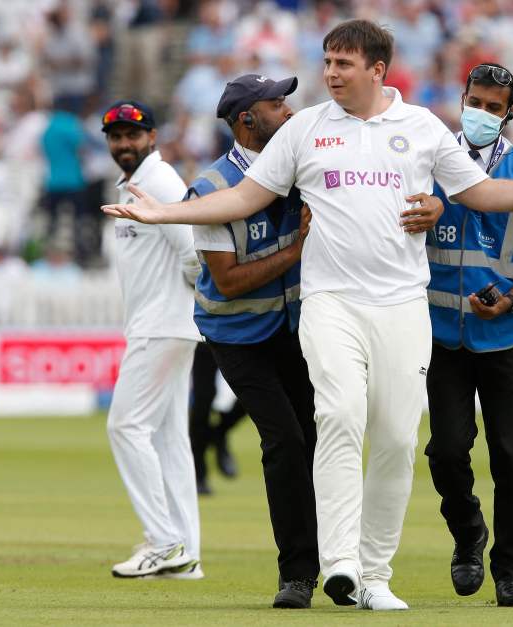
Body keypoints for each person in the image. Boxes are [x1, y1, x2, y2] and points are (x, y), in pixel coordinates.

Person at [102, 19, 513, 610]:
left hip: (401, 306)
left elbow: (480, 192)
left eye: (344, 64)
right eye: (328, 61)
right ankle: (337, 564)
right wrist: (166, 215)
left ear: (377, 70)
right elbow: (244, 197)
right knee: (339, 416)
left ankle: (374, 576)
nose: (331, 73)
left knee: (393, 437)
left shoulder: (420, 128)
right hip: (330, 302)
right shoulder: (307, 127)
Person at [424, 63, 513, 608]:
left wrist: (509, 297)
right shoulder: (428, 159)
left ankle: (510, 571)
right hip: (439, 333)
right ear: (462, 99)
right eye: (473, 101)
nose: (481, 112)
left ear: (509, 113)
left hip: (507, 331)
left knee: (511, 454)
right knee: (446, 452)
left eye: (492, 106)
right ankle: (467, 532)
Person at [187, 73, 322, 609]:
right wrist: (297, 249)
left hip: (291, 326)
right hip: (236, 334)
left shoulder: (298, 173)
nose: (288, 111)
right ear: (247, 119)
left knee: (318, 440)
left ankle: (337, 562)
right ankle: (296, 574)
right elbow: (229, 280)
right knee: (285, 441)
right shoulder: (209, 190)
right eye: (276, 104)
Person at [103, 100, 203, 579]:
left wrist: (179, 306)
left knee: (125, 428)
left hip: (162, 324)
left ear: (152, 136)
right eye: (116, 136)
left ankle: (162, 541)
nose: (124, 144)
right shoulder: (133, 183)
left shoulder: (159, 182)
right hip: (163, 323)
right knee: (168, 439)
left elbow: (193, 252)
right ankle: (185, 554)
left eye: (132, 135)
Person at [189, 342, 246, 495]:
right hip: (203, 335)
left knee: (250, 395)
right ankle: (198, 474)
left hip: (237, 335)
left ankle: (218, 435)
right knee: (203, 401)